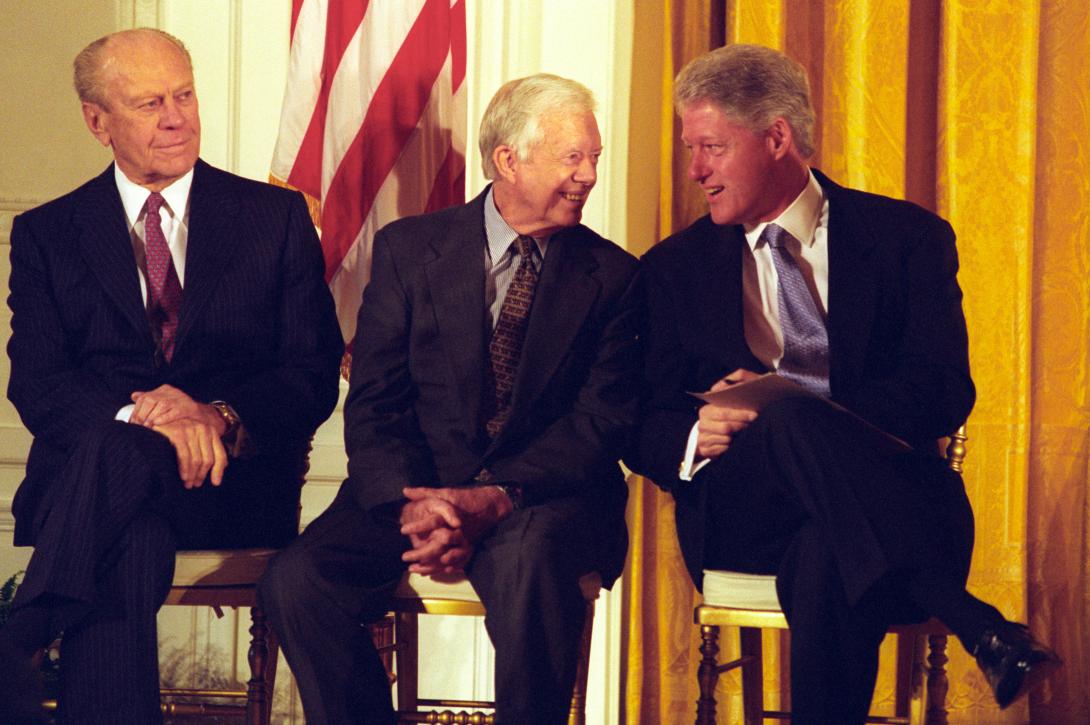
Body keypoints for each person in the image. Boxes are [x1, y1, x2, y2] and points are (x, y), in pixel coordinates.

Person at [628, 44, 1060, 724]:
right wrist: (691, 434)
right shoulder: (669, 271)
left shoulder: (905, 239)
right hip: (746, 513)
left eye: (711, 147)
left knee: (826, 542)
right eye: (691, 149)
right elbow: (639, 421)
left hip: (895, 498)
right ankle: (975, 620)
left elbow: (945, 389)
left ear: (776, 137)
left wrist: (810, 408)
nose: (695, 171)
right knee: (784, 423)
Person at [258, 73, 640, 725]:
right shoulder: (409, 250)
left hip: (540, 499)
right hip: (413, 492)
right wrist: (422, 507)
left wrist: (490, 497)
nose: (588, 176)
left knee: (528, 568)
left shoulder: (614, 277)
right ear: (508, 160)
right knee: (297, 582)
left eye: (594, 158)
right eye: (572, 157)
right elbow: (376, 401)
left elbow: (599, 423)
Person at [0, 28, 342, 723]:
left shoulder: (272, 219)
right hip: (102, 496)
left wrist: (214, 416)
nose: (176, 117)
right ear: (98, 122)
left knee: (125, 499)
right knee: (133, 536)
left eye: (184, 95)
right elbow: (38, 383)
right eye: (150, 102)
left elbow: (309, 372)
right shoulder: (48, 232)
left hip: (230, 485)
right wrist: (148, 419)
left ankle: (20, 633)